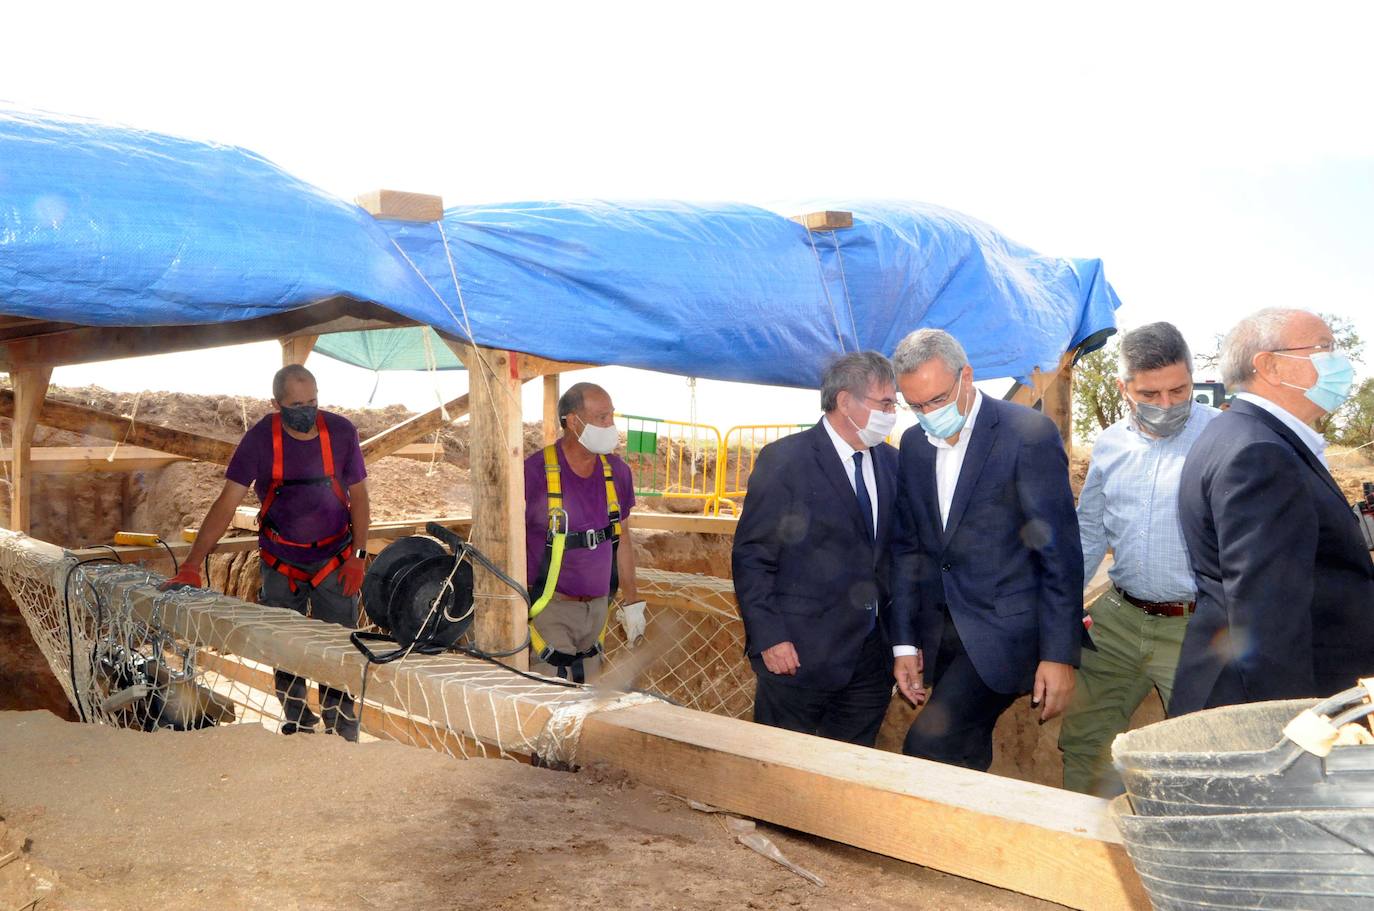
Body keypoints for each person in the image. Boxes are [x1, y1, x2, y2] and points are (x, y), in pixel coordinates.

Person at [889, 329, 1083, 771]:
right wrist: (903, 643)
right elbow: (909, 548)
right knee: (965, 746)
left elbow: (1059, 555)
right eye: (914, 406)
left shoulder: (1025, 434)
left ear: (967, 376)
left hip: (1005, 633)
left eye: (937, 400)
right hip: (943, 634)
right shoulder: (915, 446)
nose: (927, 415)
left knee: (928, 745)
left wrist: (1058, 655)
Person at [1169, 309, 1374, 715]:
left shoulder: (1239, 433)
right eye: (1324, 348)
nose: (1339, 362)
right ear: (1271, 366)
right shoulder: (1262, 454)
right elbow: (1268, 618)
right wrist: (1296, 726)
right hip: (1273, 704)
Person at [161, 364, 369, 740]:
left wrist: (358, 557)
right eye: (297, 404)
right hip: (281, 562)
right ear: (277, 404)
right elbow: (226, 503)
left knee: (339, 648)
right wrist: (192, 563)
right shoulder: (260, 440)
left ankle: (341, 730)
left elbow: (361, 498)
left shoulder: (340, 432)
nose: (307, 410)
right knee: (283, 646)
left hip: (334, 560)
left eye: (313, 401)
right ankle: (298, 724)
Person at [1059, 323, 1219, 795]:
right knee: (1085, 741)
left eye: (1179, 390)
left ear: (1193, 379)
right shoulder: (1110, 444)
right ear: (1122, 388)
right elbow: (1089, 531)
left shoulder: (1223, 438)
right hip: (1118, 619)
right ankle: (1083, 847)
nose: (1167, 404)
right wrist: (1061, 610)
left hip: (1193, 627)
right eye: (1150, 393)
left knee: (1202, 756)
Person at [732, 352, 900, 746]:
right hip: (798, 656)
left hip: (870, 661)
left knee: (849, 774)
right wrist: (770, 636)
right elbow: (753, 556)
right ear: (845, 401)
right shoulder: (785, 461)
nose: (894, 413)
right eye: (886, 403)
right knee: (783, 773)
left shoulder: (893, 463)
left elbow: (896, 556)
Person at [524, 382, 641, 683]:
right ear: (573, 422)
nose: (611, 425)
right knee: (550, 699)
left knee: (585, 706)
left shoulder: (617, 473)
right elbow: (505, 544)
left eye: (612, 416)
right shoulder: (533, 473)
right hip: (550, 609)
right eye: (602, 418)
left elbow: (622, 539)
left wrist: (632, 603)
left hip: (598, 612)